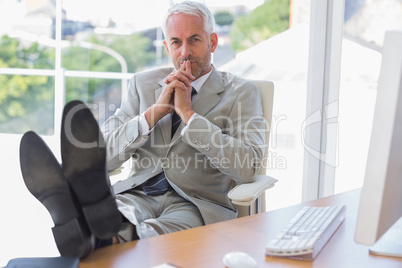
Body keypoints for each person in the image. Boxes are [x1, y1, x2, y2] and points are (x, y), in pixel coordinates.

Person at [19, 1, 266, 259]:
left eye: (194, 40)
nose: (184, 52)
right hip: (137, 194)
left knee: (141, 235)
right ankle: (90, 223)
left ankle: (80, 227)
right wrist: (151, 116)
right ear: (166, 46)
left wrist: (190, 117)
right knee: (116, 216)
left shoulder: (241, 92)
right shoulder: (143, 84)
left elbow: (248, 165)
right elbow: (105, 155)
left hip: (195, 204)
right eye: (176, 42)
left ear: (213, 42)